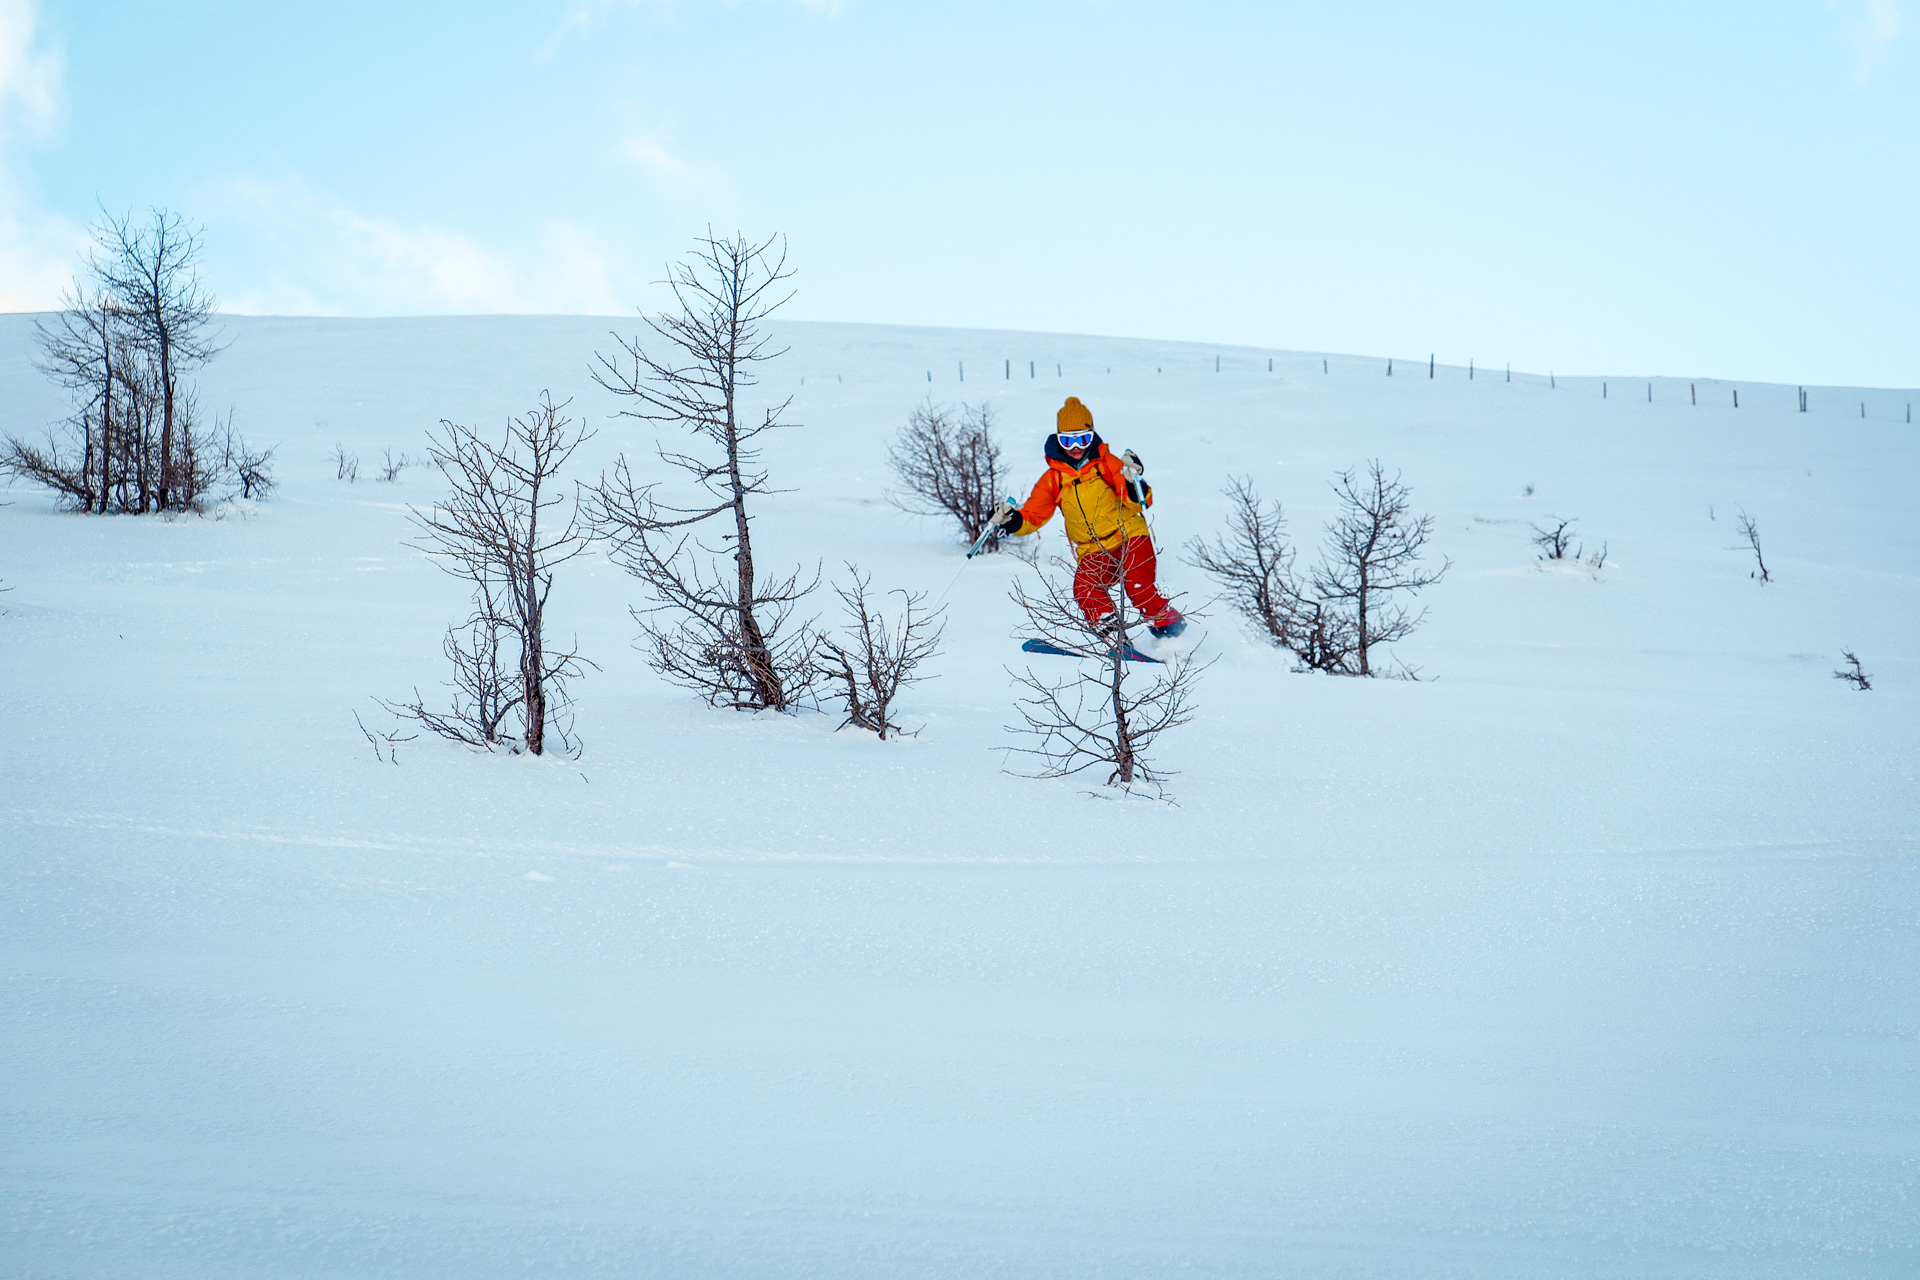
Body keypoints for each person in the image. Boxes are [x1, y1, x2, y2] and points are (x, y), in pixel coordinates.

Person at [989, 396, 1186, 640]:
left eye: (1083, 439)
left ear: (1092, 436)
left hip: (1130, 537)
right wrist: (1011, 520)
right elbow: (1033, 515)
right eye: (1067, 441)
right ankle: (1115, 640)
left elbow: (1138, 501)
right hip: (1094, 550)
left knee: (1139, 587)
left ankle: (1174, 636)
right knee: (1085, 588)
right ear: (1058, 440)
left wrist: (1133, 480)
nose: (1075, 447)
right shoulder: (1054, 478)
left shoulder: (1107, 464)